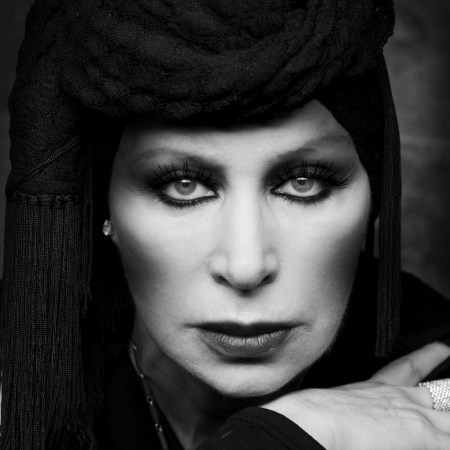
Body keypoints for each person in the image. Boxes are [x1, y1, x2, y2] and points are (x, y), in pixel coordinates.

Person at [1, 0, 450, 449]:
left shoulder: (438, 391)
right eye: (183, 186)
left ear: (372, 198)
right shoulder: (12, 373)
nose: (246, 268)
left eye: (304, 182)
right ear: (105, 207)